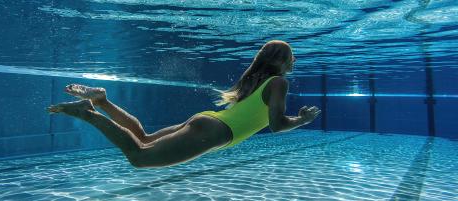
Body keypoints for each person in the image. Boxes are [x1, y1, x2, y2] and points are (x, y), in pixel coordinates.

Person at [46, 40, 321, 168]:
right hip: (213, 132)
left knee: (143, 138)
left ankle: (102, 100)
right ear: (282, 60)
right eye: (291, 56)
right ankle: (88, 113)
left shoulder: (257, 80)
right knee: (139, 157)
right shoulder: (278, 83)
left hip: (207, 120)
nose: (293, 61)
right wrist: (302, 120)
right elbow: (276, 125)